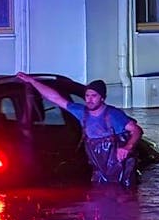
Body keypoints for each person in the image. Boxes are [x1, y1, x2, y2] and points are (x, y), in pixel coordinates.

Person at [16, 72, 144, 188]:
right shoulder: (81, 112)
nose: (89, 99)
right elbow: (55, 98)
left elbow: (137, 130)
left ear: (102, 98)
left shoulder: (113, 114)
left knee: (122, 196)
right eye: (87, 95)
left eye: (94, 96)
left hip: (120, 169)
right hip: (99, 171)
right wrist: (32, 81)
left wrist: (127, 147)